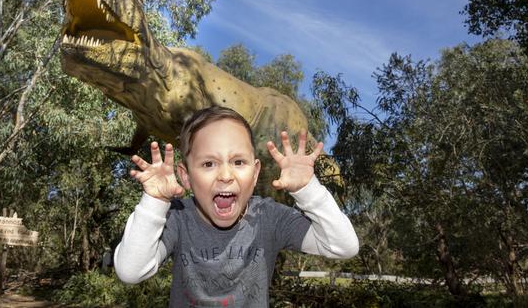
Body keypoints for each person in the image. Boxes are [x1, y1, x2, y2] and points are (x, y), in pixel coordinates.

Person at [114, 106, 358, 307]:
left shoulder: (268, 217)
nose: (225, 175)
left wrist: (307, 189)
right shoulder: (178, 217)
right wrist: (155, 201)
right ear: (186, 176)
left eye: (238, 162)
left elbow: (342, 246)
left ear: (254, 173)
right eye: (209, 164)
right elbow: (131, 271)